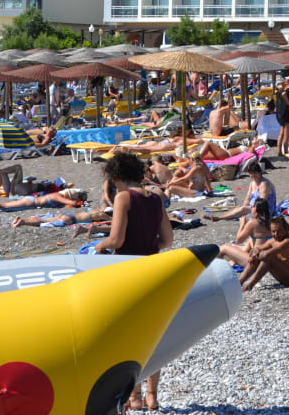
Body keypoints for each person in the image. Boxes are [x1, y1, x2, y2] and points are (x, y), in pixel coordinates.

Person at [92, 152, 173, 413]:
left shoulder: (124, 198)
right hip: (153, 270)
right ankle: (152, 396)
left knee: (130, 336)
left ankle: (135, 396)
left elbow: (116, 239)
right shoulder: (156, 198)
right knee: (152, 335)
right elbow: (167, 241)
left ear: (117, 176)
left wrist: (100, 245)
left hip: (128, 272)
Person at [221, 216, 289, 292]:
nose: (276, 234)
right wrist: (255, 253)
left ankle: (250, 285)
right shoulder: (272, 241)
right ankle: (239, 282)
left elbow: (269, 253)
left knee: (268, 257)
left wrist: (256, 254)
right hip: (285, 275)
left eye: (279, 231)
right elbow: (257, 249)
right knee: (258, 256)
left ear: (285, 229)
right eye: (273, 232)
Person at [206, 159, 277, 241]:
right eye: (251, 173)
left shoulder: (264, 184)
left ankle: (219, 218)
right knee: (241, 209)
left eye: (255, 173)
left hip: (265, 209)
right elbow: (247, 198)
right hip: (254, 207)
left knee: (242, 210)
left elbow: (262, 201)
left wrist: (246, 209)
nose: (253, 175)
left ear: (260, 173)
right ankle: (222, 217)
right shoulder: (252, 183)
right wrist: (244, 208)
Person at [0, 187, 88, 213]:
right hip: (31, 202)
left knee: (4, 205)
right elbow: (71, 203)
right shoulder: (58, 196)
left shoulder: (58, 195)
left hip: (31, 201)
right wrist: (80, 203)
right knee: (3, 205)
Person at [274, 80, 289, 156]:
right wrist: (288, 102)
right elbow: (284, 94)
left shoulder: (278, 92)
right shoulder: (288, 90)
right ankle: (285, 151)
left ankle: (279, 152)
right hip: (287, 114)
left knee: (281, 134)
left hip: (281, 114)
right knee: (286, 135)